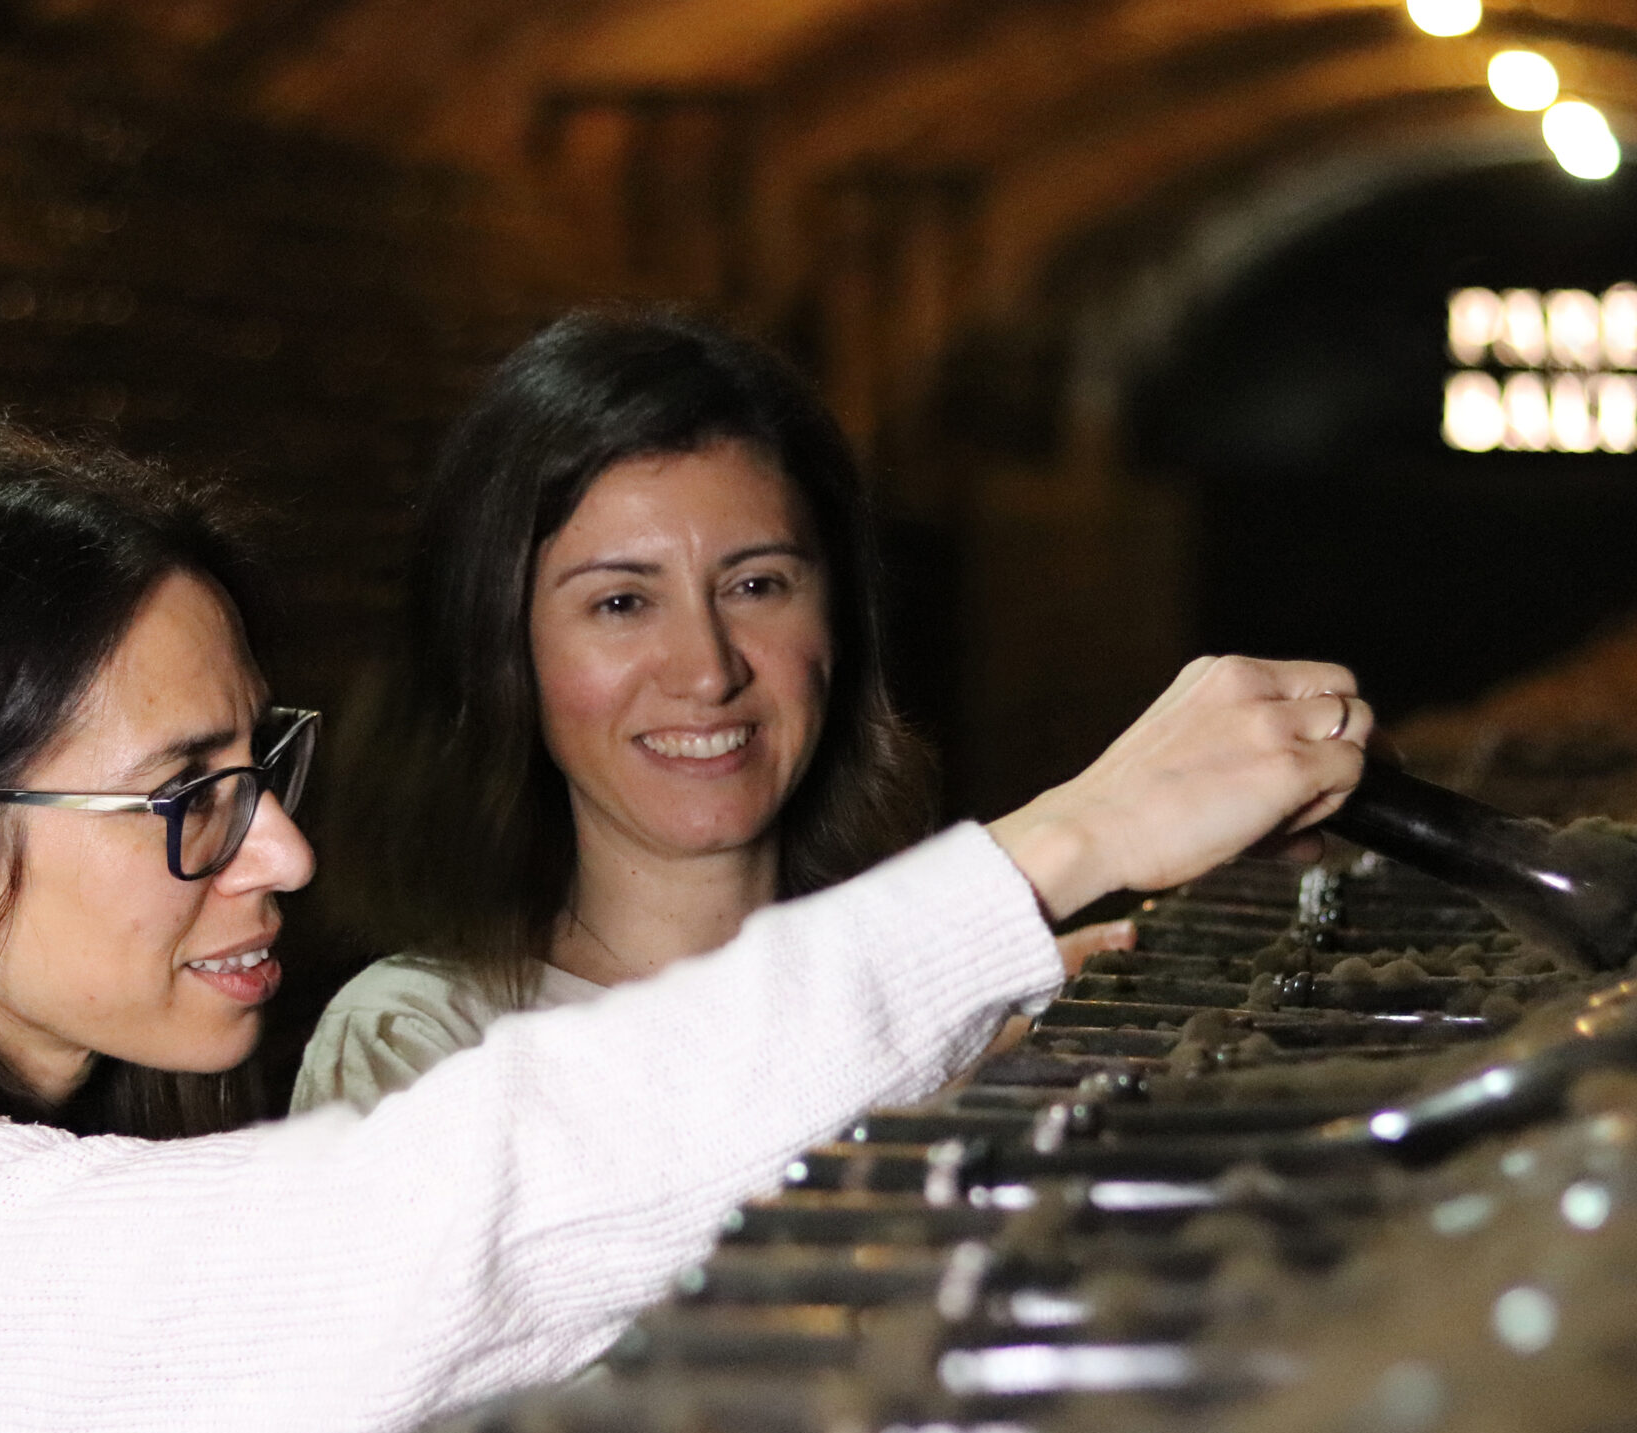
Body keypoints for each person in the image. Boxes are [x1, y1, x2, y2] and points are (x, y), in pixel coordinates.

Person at [0, 423, 1369, 1433]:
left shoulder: (20, 1192)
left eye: (261, 768)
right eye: (184, 798)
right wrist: (1047, 855)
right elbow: (465, 1208)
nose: (279, 849)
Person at [295, 312, 1128, 1116]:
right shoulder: (420, 1042)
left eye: (757, 586)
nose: (708, 669)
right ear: (506, 649)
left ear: (837, 624)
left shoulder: (961, 999)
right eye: (622, 602)